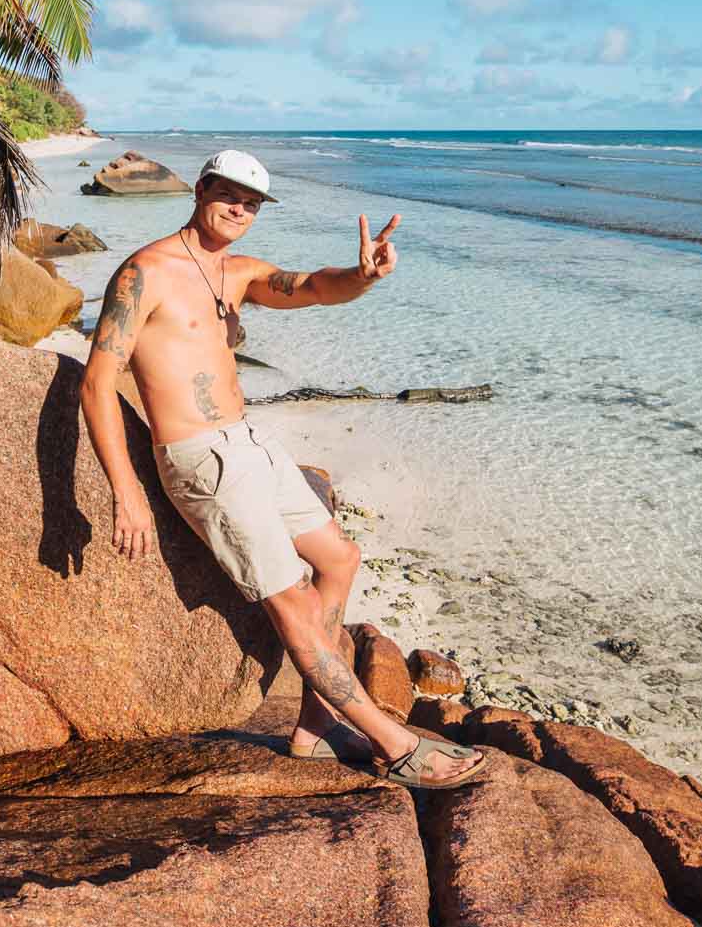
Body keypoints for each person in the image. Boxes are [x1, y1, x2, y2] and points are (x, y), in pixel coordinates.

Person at [79, 148, 484, 788]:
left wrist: (366, 274)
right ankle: (395, 744)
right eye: (230, 195)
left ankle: (312, 727)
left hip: (250, 444)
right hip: (200, 459)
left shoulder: (235, 275)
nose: (240, 209)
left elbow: (317, 288)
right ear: (201, 188)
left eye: (252, 203)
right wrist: (125, 492)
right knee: (292, 601)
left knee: (340, 559)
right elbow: (98, 384)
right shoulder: (144, 273)